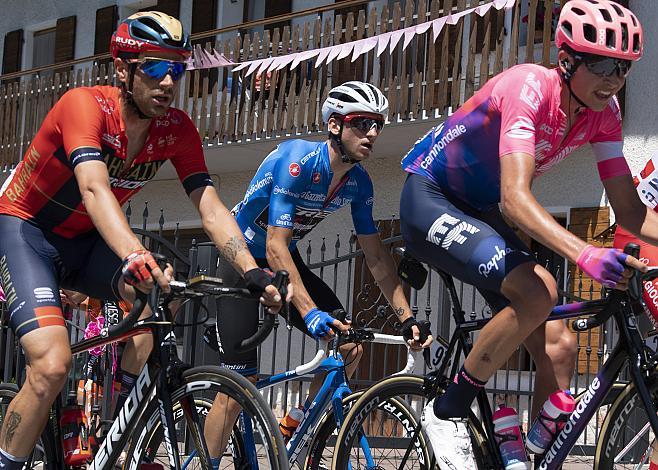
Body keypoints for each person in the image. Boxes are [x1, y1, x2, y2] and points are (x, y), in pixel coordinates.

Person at [0, 11, 287, 468]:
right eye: (154, 67)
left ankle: (107, 426)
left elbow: (210, 206)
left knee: (158, 297)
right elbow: (94, 189)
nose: (168, 81)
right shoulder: (84, 106)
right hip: (26, 230)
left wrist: (253, 272)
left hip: (86, 240)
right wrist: (135, 253)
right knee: (51, 366)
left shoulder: (176, 129)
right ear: (123, 69)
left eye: (176, 68)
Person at [399, 0, 648, 467]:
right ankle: (447, 411)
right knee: (539, 291)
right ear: (567, 60)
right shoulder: (529, 86)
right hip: (430, 197)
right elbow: (515, 199)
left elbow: (631, 211)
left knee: (560, 345)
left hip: (480, 209)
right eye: (600, 65)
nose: (613, 79)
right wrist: (585, 254)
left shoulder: (604, 112)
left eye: (623, 68)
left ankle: (530, 458)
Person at [204, 80, 432, 466]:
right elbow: (275, 245)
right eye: (362, 123)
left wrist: (407, 317)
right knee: (238, 387)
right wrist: (309, 312)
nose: (373, 133)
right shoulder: (296, 162)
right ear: (334, 126)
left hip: (284, 261)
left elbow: (375, 256)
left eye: (378, 124)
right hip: (242, 261)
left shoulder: (358, 183)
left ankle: (296, 423)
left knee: (349, 347)